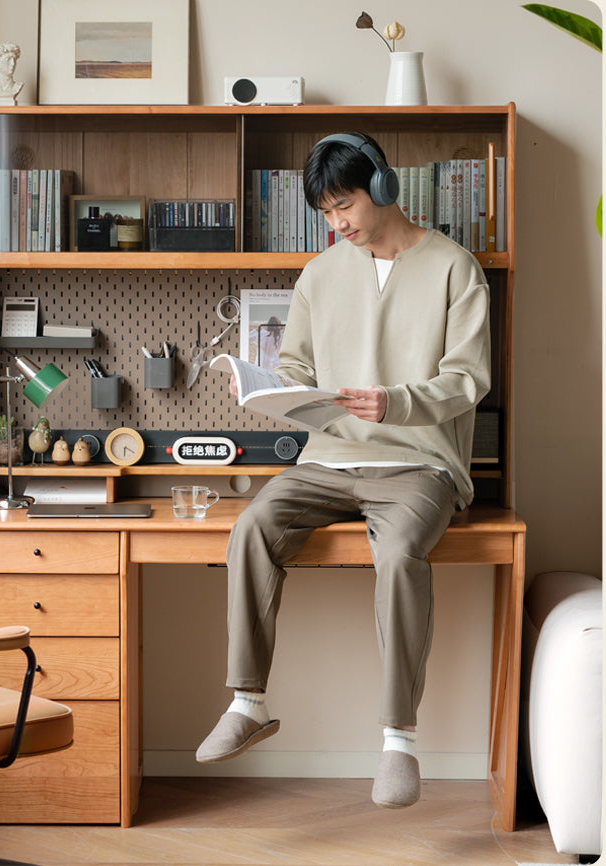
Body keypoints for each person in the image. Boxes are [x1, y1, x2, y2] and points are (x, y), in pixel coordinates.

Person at [195, 131, 491, 810]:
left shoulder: (454, 267)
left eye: (345, 205)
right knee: (254, 525)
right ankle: (246, 702)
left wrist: (396, 402)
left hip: (418, 463)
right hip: (329, 460)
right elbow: (297, 368)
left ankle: (398, 740)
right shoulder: (322, 273)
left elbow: (468, 379)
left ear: (382, 187)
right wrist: (270, 388)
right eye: (326, 213)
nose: (338, 224)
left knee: (400, 558)